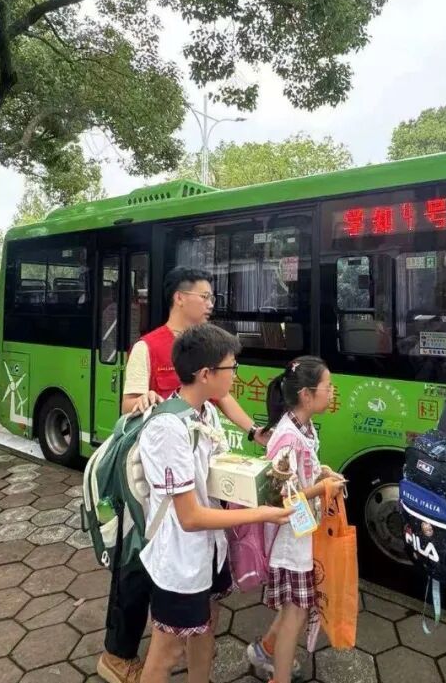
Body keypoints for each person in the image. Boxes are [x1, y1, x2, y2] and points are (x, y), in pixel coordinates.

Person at [99, 266, 270, 683]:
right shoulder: (149, 347)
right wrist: (151, 401)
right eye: (205, 296)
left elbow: (221, 400)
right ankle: (117, 654)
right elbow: (129, 406)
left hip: (192, 511)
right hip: (154, 490)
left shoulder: (208, 362)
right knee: (137, 576)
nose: (211, 304)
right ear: (180, 297)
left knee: (193, 614)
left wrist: (253, 432)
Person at [137, 324, 290, 683]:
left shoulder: (205, 413)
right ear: (205, 374)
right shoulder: (168, 429)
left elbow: (221, 477)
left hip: (209, 550)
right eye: (231, 367)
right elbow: (189, 517)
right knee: (168, 650)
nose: (236, 376)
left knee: (207, 627)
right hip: (180, 559)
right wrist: (265, 513)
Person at [245, 356, 345, 683]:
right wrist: (322, 487)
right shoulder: (288, 437)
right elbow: (284, 500)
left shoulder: (301, 426)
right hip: (290, 543)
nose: (332, 393)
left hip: (301, 533)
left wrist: (322, 472)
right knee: (295, 614)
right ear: (306, 394)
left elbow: (300, 476)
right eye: (328, 387)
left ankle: (266, 650)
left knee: (297, 606)